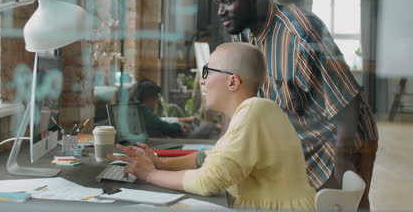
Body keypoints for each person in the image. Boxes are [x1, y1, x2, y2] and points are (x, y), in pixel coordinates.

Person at [213, 0, 378, 209]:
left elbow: (346, 101)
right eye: (218, 4)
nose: (220, 12)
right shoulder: (242, 34)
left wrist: (342, 162)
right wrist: (221, 149)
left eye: (227, 2)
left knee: (342, 206)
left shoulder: (302, 33)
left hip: (342, 139)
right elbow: (240, 98)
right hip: (303, 139)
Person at [108, 43, 316, 211]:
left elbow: (208, 181)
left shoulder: (255, 110)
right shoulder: (253, 111)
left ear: (232, 82)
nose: (202, 81)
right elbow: (209, 158)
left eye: (207, 71)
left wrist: (149, 174)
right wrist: (158, 162)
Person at [129, 79, 194, 137]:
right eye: (155, 98)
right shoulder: (142, 110)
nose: (156, 102)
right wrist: (180, 126)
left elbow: (157, 120)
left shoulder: (134, 108)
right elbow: (165, 127)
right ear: (149, 97)